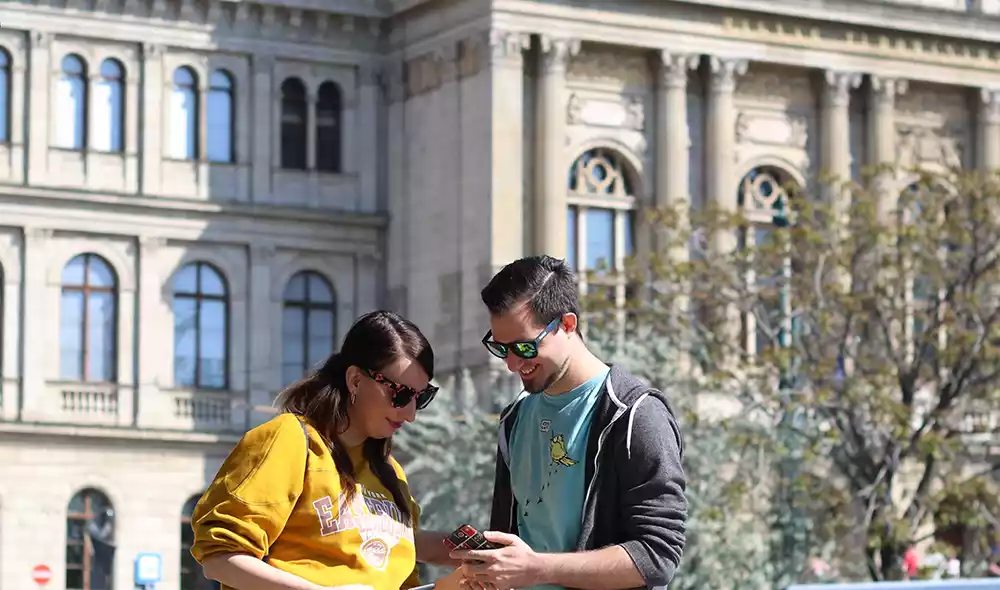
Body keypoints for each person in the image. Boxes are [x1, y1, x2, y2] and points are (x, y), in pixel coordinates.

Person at [453, 255, 687, 590]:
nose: (513, 364)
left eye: (524, 346)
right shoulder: (514, 419)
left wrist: (538, 569)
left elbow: (656, 555)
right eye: (501, 348)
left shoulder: (635, 414)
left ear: (567, 324)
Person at [191, 310, 461, 590]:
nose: (410, 413)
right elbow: (219, 557)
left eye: (422, 397)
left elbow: (399, 548)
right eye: (401, 394)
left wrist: (465, 559)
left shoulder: (389, 470)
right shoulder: (289, 440)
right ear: (355, 380)